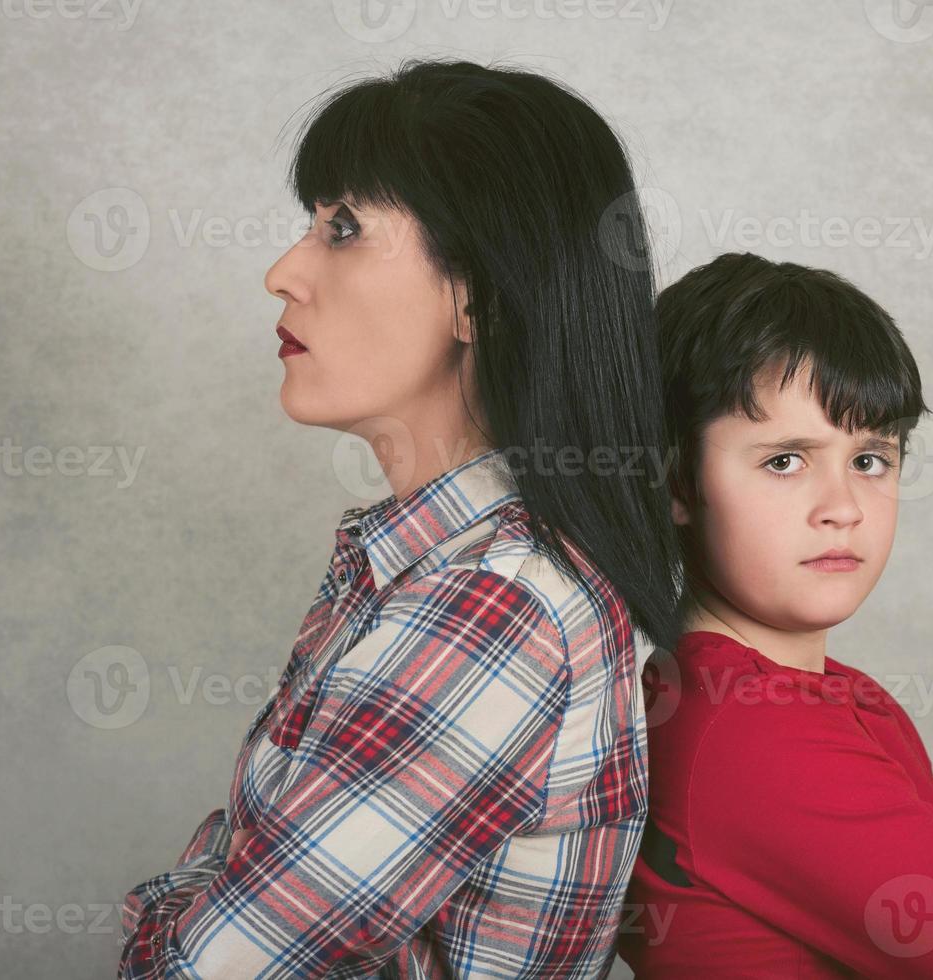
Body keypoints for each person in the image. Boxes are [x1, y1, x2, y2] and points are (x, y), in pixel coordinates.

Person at [118, 58, 682, 978]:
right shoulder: (437, 567)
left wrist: (173, 906)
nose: (283, 272)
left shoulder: (492, 610)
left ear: (477, 295)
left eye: (343, 229)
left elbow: (203, 968)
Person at [617, 252, 933, 978]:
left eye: (870, 459)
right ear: (679, 482)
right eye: (785, 461)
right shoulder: (748, 728)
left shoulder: (847, 699)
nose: (843, 508)